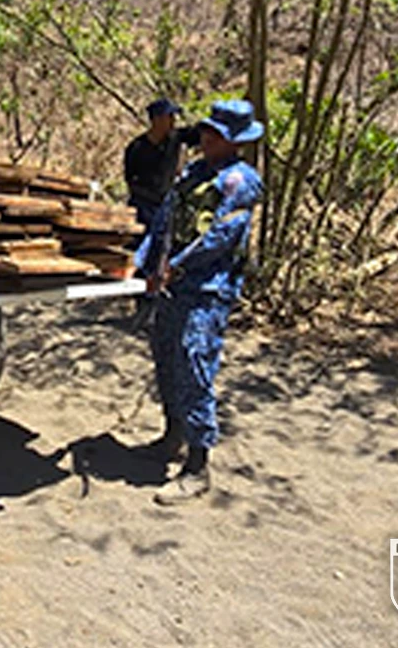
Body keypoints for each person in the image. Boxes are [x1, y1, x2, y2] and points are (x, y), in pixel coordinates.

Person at [135, 99, 264, 504]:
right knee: (166, 358)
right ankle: (172, 435)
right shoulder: (194, 173)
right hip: (171, 286)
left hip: (207, 289)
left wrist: (175, 266)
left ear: (235, 141)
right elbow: (164, 219)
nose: (206, 138)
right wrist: (143, 262)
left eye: (217, 134)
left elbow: (219, 237)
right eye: (206, 131)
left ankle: (197, 465)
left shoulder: (240, 181)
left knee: (194, 364)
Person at [123, 98, 200, 240]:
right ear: (157, 120)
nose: (173, 121)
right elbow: (130, 179)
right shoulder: (137, 148)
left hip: (166, 204)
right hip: (143, 205)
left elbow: (199, 134)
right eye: (169, 117)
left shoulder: (176, 138)